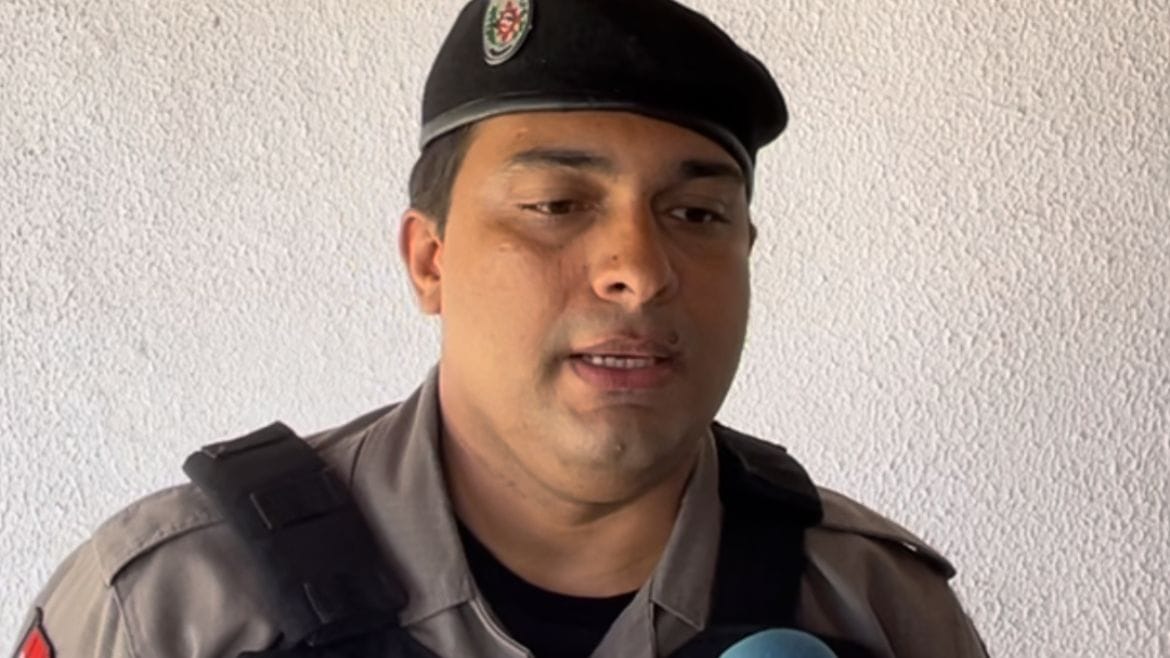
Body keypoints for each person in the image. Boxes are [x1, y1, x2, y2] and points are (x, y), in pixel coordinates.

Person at [13, 1, 988, 656]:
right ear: (430, 260)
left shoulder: (874, 609)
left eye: (697, 215)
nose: (640, 270)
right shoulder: (169, 609)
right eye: (557, 205)